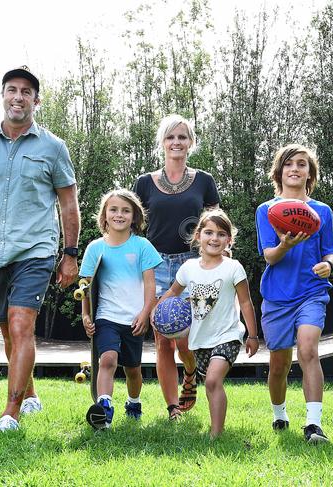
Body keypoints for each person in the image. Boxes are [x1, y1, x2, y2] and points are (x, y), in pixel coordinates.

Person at [0, 66, 80, 432]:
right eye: (12, 90)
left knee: (20, 325)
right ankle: (29, 393)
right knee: (8, 330)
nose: (18, 97)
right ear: (3, 96)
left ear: (36, 101)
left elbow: (68, 204)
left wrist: (70, 253)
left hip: (36, 249)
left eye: (26, 91)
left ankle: (10, 413)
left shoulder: (53, 147)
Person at [133, 114, 220, 420]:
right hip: (155, 265)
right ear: (163, 142)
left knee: (185, 338)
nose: (176, 142)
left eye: (182, 137)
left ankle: (192, 371)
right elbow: (133, 229)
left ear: (190, 142)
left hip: (191, 266)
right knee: (162, 339)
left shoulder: (204, 181)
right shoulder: (145, 183)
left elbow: (215, 226)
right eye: (171, 137)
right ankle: (173, 408)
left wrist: (217, 263)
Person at [255, 144, 333, 444]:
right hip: (277, 296)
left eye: (302, 164)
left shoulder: (323, 211)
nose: (295, 169)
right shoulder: (267, 210)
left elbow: (329, 253)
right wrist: (285, 245)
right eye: (288, 164)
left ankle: (313, 425)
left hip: (312, 292)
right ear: (279, 171)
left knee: (309, 350)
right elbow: (270, 257)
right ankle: (279, 413)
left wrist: (327, 265)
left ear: (309, 173)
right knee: (279, 365)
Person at [157, 209, 258, 438]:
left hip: (228, 335)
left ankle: (216, 434)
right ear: (198, 236)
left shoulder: (233, 268)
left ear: (229, 239)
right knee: (210, 386)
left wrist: (252, 335)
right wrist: (155, 312)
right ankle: (216, 427)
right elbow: (173, 292)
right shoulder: (188, 268)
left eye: (221, 234)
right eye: (209, 232)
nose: (214, 238)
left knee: (213, 381)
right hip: (199, 339)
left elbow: (245, 302)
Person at [80, 189, 162, 429]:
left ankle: (133, 401)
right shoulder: (95, 248)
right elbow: (86, 286)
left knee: (133, 370)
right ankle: (104, 407)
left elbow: (150, 284)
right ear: (104, 215)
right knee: (107, 360)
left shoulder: (142, 246)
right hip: (106, 317)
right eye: (113, 209)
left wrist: (145, 313)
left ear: (135, 217)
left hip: (134, 319)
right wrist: (86, 314)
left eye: (126, 211)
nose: (119, 214)